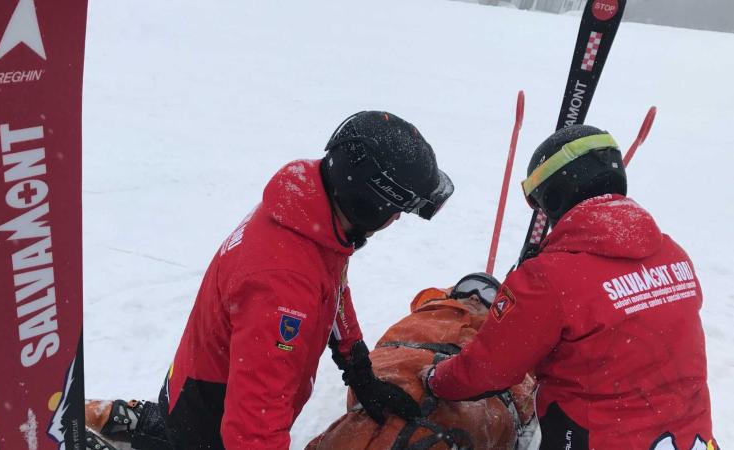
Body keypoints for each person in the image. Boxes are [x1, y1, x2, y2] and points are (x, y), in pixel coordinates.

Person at [85, 111, 455, 450]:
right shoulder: (283, 288)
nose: (397, 220)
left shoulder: (313, 213)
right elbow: (253, 430)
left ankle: (152, 428)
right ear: (370, 201)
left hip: (212, 377)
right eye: (397, 209)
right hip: (213, 414)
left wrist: (357, 367)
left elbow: (334, 289)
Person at [422, 125, 717, 450]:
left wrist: (435, 379)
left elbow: (486, 372)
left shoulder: (548, 278)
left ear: (555, 193)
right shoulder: (673, 255)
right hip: (690, 439)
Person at [306, 273, 538, 450]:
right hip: (395, 377)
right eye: (466, 288)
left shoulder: (505, 335)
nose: (475, 295)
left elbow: (523, 388)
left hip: (464, 407)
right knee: (369, 423)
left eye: (489, 294)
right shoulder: (427, 315)